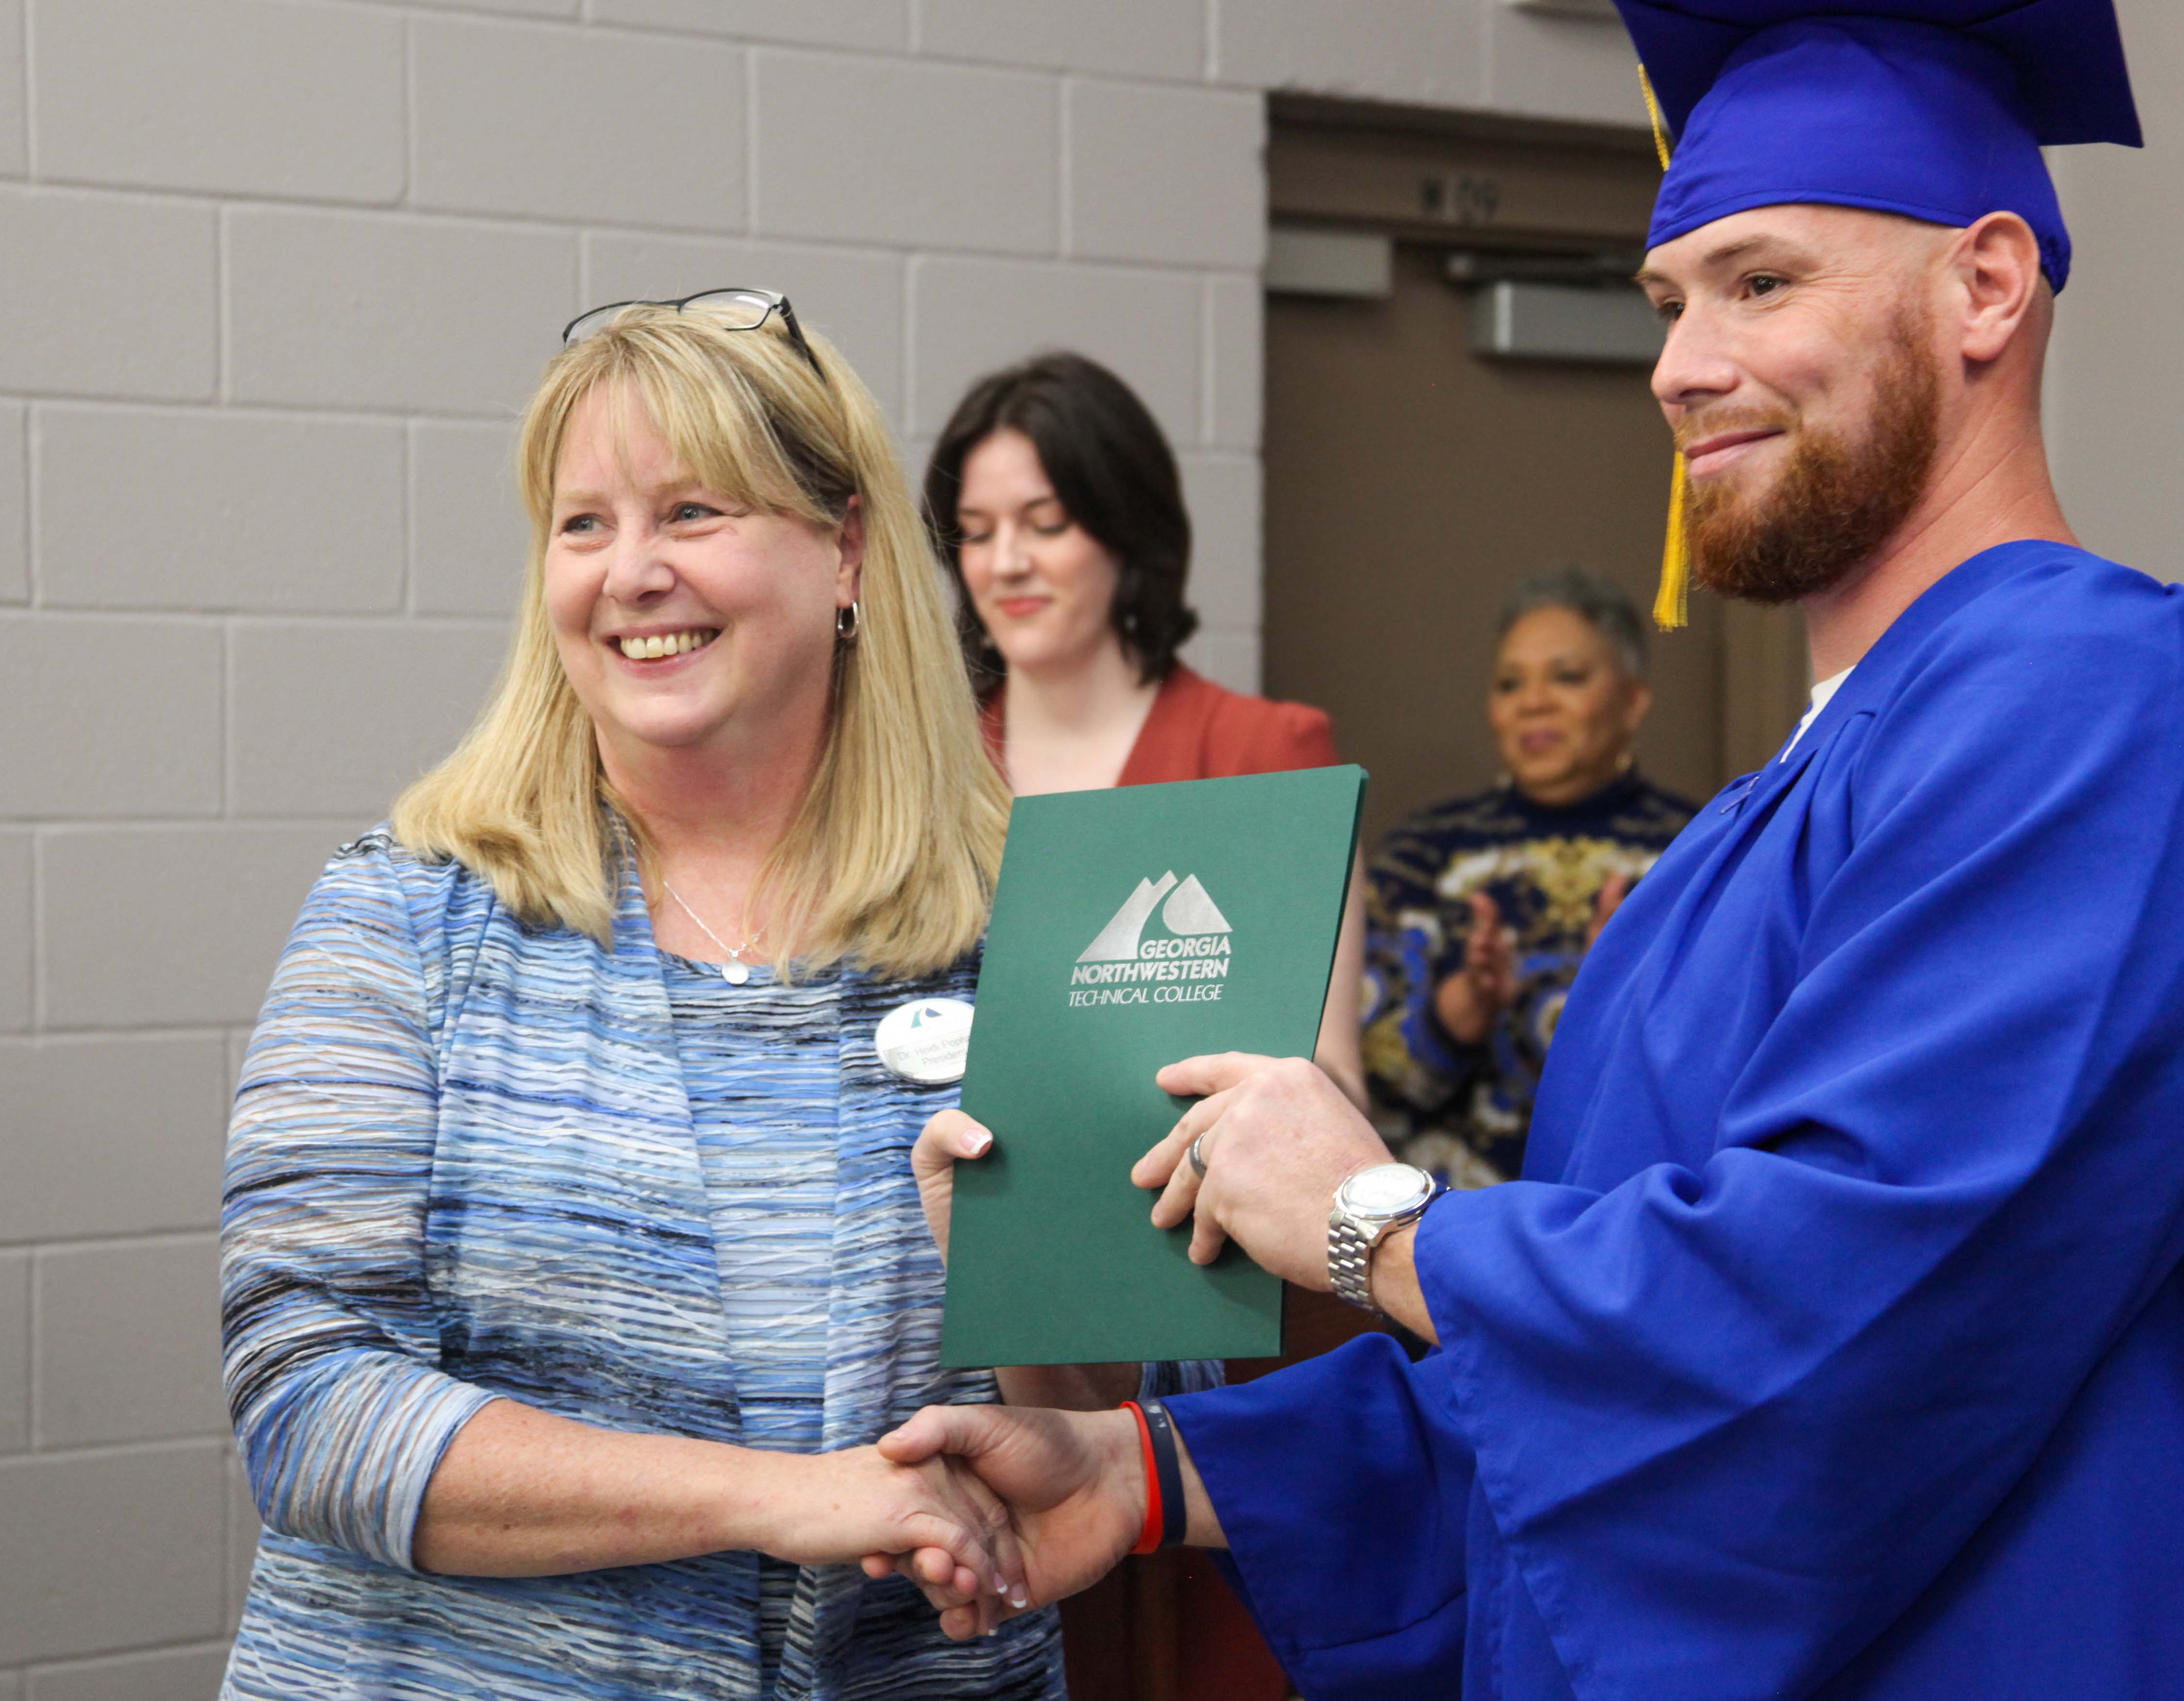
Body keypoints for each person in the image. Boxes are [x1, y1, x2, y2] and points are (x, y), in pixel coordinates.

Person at [883, 3, 2184, 1697]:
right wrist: (1150, 1473)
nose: (1678, 362)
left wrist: (1378, 1221)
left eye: (1760, 281)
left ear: (1985, 285)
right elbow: (1611, 1410)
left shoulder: (2112, 713)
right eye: (1668, 302)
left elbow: (1841, 1311)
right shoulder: (1752, 828)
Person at [219, 291, 1083, 1697]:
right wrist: (788, 1494)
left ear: (848, 547)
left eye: (691, 511)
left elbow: (1136, 1423)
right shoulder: (408, 915)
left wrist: (1030, 1279)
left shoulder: (1023, 932)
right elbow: (310, 1404)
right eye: (584, 523)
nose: (629, 571)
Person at [921, 348, 1357, 1700]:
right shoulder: (926, 785)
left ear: (1129, 528)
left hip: (1232, 1323)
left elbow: (1327, 1081)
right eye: (978, 531)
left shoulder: (1259, 744)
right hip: (995, 1317)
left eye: (1045, 522)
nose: (1008, 561)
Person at [1362, 566, 1696, 1186]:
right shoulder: (1423, 853)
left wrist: (1632, 992)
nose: (1534, 702)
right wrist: (1460, 1011)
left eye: (1567, 677)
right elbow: (1369, 1085)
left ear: (1632, 701)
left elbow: (1734, 1074)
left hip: (1638, 1212)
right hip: (1445, 1225)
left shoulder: (1700, 849)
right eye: (1510, 684)